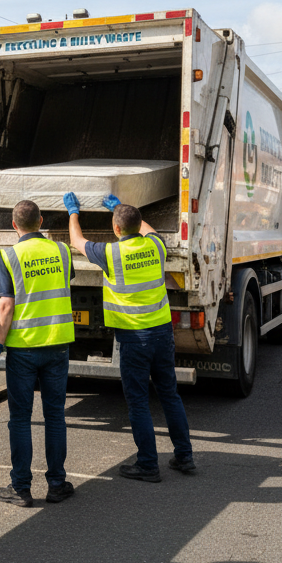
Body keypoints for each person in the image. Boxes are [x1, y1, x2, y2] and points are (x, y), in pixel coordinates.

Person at [64, 191, 194, 482]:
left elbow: (77, 241)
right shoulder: (157, 246)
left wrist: (73, 212)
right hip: (162, 334)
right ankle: (184, 456)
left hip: (134, 339)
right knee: (170, 395)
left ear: (116, 229)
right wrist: (121, 207)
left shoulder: (111, 254)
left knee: (137, 401)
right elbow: (149, 230)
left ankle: (148, 464)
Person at [0, 199, 76, 508]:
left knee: (20, 419)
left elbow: (6, 306)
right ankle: (57, 484)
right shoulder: (61, 251)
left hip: (23, 349)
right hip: (58, 344)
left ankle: (21, 488)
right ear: (42, 221)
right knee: (54, 416)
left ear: (13, 226)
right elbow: (62, 283)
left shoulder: (8, 256)